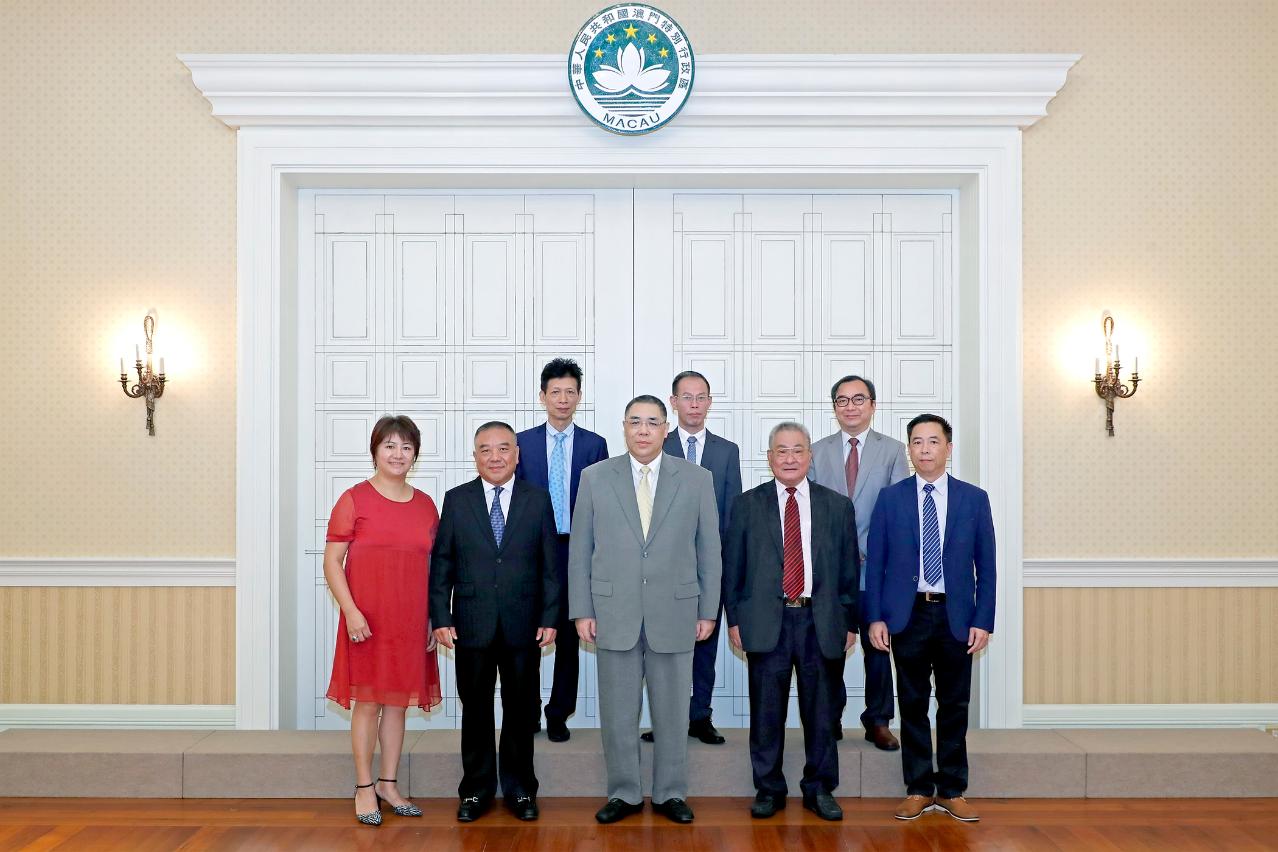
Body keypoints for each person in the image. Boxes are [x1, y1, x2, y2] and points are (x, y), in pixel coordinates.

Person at [568, 395, 721, 825]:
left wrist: (708, 609)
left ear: (666, 429)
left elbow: (710, 550)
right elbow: (580, 550)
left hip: (676, 612)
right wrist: (582, 609)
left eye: (652, 422)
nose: (643, 430)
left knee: (672, 712)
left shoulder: (697, 479)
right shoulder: (595, 477)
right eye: (635, 421)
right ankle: (625, 792)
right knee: (618, 712)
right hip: (612, 612)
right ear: (624, 427)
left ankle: (671, 792)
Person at [723, 422, 859, 821]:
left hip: (822, 620)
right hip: (768, 622)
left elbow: (849, 571)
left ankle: (820, 789)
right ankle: (769, 789)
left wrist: (850, 622)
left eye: (798, 450)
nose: (789, 458)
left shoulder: (837, 506)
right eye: (781, 451)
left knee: (821, 713)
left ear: (809, 457)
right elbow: (733, 569)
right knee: (767, 713)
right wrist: (735, 620)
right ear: (769, 458)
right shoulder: (747, 505)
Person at [865, 414, 996, 823]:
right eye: (917, 442)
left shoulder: (974, 499)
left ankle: (953, 789)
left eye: (933, 441)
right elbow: (876, 564)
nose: (925, 449)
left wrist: (983, 620)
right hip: (908, 615)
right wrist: (875, 618)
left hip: (957, 615)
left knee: (954, 704)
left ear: (948, 448)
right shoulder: (891, 498)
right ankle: (919, 788)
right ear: (909, 450)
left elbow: (987, 566)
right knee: (913, 703)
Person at [429, 422, 561, 822]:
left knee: (521, 710)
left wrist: (550, 616)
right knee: (475, 710)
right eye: (485, 450)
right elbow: (443, 562)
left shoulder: (537, 500)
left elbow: (550, 565)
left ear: (517, 455)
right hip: (472, 622)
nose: (495, 457)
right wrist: (441, 616)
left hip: (524, 623)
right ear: (475, 457)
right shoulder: (457, 500)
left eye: (504, 449)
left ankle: (521, 790)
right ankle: (476, 790)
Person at [324, 415, 441, 826]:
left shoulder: (426, 505)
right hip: (367, 620)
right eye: (389, 445)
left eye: (406, 447)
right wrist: (351, 610)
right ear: (375, 451)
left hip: (411, 619)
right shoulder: (354, 499)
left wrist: (433, 618)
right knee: (368, 702)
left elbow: (434, 566)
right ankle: (363, 787)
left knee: (398, 704)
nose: (398, 454)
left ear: (415, 455)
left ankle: (388, 784)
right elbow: (332, 563)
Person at [640, 370, 741, 746]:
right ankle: (667, 720)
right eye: (687, 397)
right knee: (663, 649)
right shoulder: (657, 445)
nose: (694, 405)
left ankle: (700, 716)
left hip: (708, 566)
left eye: (701, 398)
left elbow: (732, 514)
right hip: (665, 568)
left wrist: (723, 565)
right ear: (674, 402)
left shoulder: (726, 451)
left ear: (709, 403)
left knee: (704, 644)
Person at [809, 374, 909, 750]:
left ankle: (878, 720)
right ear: (834, 407)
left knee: (877, 646)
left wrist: (872, 550)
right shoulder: (816, 451)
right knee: (829, 646)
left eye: (858, 399)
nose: (850, 407)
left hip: (875, 570)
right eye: (842, 400)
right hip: (830, 572)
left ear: (873, 405)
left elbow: (899, 510)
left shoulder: (894, 450)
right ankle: (829, 717)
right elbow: (810, 510)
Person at [515, 358, 609, 743]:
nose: (563, 399)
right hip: (531, 551)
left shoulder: (594, 445)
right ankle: (527, 711)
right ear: (543, 396)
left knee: (569, 638)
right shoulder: (521, 443)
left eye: (570, 392)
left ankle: (558, 713)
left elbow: (604, 505)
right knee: (528, 634)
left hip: (576, 549)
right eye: (556, 392)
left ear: (579, 396)